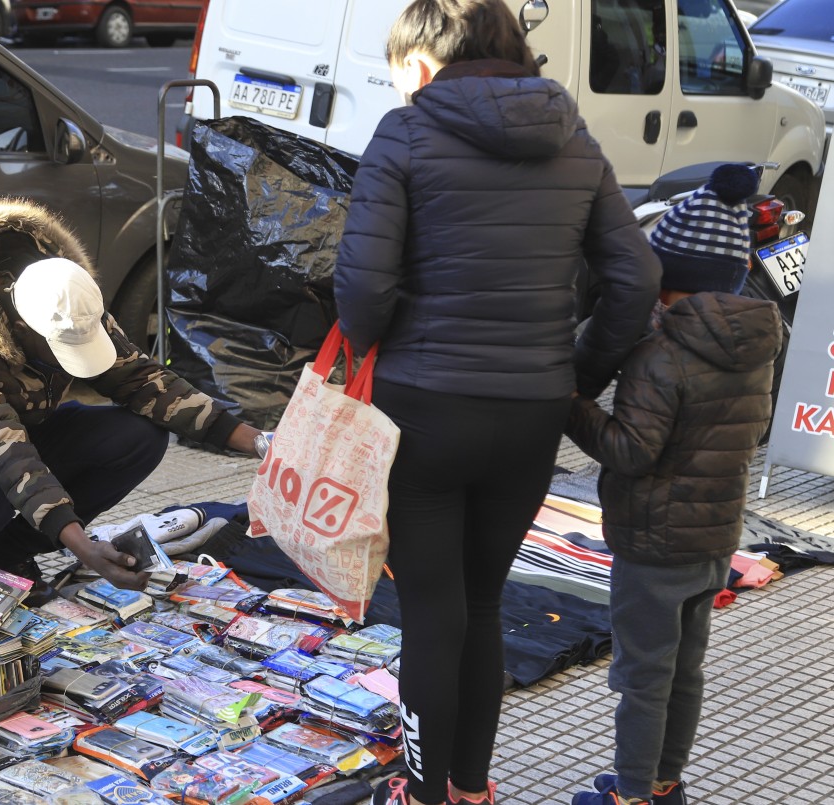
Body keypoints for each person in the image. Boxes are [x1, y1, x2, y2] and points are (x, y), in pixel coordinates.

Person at [332, 1, 661, 803]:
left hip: (423, 409)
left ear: (421, 62)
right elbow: (637, 279)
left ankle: (422, 793)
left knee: (433, 608)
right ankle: (472, 788)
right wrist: (575, 371)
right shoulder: (574, 137)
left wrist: (384, 331)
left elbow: (363, 294)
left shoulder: (402, 134)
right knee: (483, 600)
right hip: (530, 412)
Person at [0, 198, 260, 639]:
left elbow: (143, 381)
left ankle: (3, 553)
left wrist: (261, 444)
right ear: (13, 315)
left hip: (12, 435)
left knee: (137, 436)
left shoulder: (69, 295)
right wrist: (84, 548)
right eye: (58, 347)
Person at [567, 164, 782, 805]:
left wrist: (570, 403)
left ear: (667, 277)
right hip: (715, 536)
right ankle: (663, 783)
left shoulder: (660, 354)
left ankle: (629, 794)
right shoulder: (758, 343)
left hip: (654, 541)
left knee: (642, 674)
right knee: (684, 670)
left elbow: (632, 451)